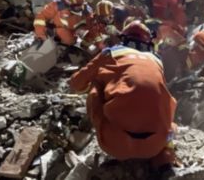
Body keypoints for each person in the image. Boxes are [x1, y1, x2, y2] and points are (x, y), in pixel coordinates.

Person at [68, 21, 177, 175]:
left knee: (96, 83)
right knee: (161, 100)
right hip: (156, 145)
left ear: (124, 39)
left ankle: (98, 129)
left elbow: (76, 83)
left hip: (115, 144)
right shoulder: (157, 60)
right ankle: (166, 158)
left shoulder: (111, 53)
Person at [81, 0, 146, 52]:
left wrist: (98, 39)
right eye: (101, 17)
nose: (104, 20)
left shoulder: (121, 16)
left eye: (107, 17)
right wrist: (94, 35)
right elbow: (84, 44)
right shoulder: (95, 22)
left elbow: (113, 50)